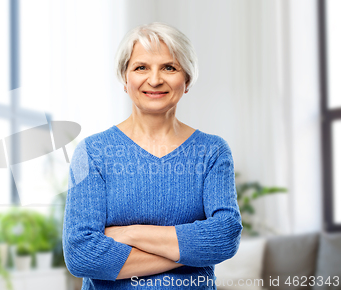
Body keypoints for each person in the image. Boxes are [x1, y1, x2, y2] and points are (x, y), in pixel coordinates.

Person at [62, 22, 242, 290]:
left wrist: (128, 234)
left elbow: (225, 237)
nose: (155, 79)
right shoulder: (92, 152)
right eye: (141, 67)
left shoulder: (212, 151)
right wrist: (189, 250)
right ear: (125, 79)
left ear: (187, 80)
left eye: (169, 67)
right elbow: (82, 255)